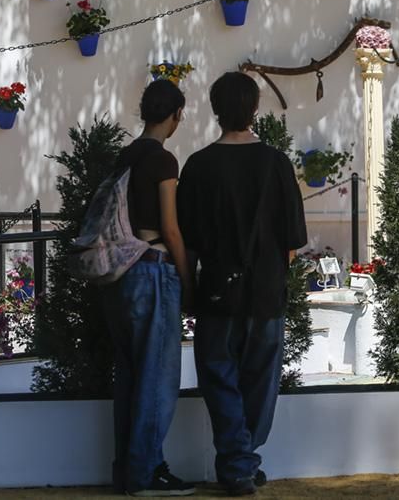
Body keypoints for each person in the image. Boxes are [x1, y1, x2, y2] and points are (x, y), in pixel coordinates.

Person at [178, 71, 307, 496]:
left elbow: (189, 241)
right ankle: (242, 461)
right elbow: (292, 242)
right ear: (255, 109)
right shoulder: (277, 164)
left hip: (217, 290)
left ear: (215, 110)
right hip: (266, 291)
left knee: (218, 377)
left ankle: (238, 462)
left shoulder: (198, 165)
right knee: (260, 381)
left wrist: (188, 289)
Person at [102, 79, 197, 497]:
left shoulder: (123, 156)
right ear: (175, 115)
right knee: (158, 379)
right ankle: (147, 473)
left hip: (120, 274)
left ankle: (127, 471)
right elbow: (170, 229)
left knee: (129, 377)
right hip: (154, 270)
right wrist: (188, 280)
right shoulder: (163, 161)